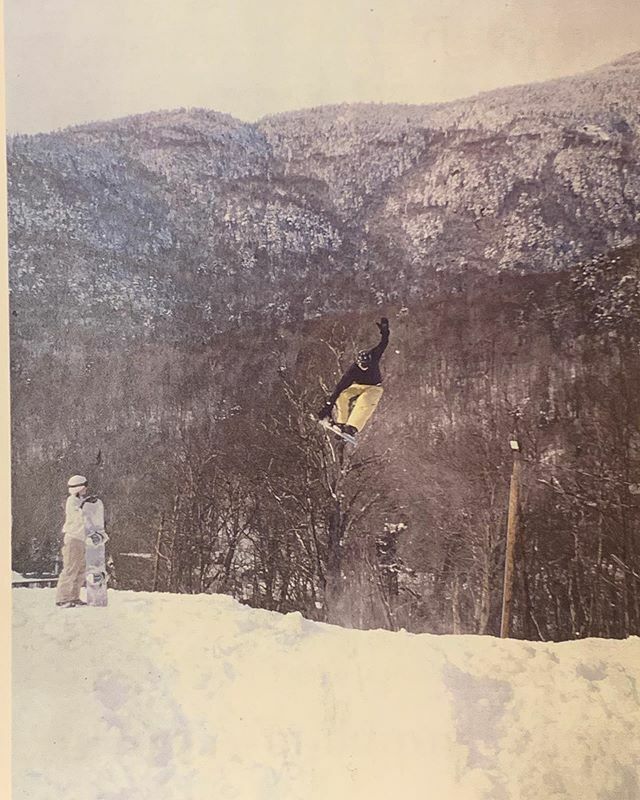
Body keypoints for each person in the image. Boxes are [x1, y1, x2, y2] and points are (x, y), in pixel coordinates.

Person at [317, 317, 390, 441]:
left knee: (365, 401)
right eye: (362, 365)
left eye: (367, 365)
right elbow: (339, 389)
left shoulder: (374, 355)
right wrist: (328, 407)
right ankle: (342, 423)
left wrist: (385, 331)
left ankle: (352, 427)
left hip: (374, 387)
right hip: (359, 386)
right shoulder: (352, 371)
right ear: (358, 363)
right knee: (343, 396)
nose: (364, 368)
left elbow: (383, 344)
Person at [55, 474, 106, 608]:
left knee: (81, 569)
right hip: (73, 539)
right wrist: (86, 505)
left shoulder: (79, 500)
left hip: (83, 539)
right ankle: (63, 597)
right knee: (71, 568)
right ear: (79, 487)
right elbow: (79, 516)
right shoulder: (71, 501)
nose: (86, 490)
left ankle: (73, 596)